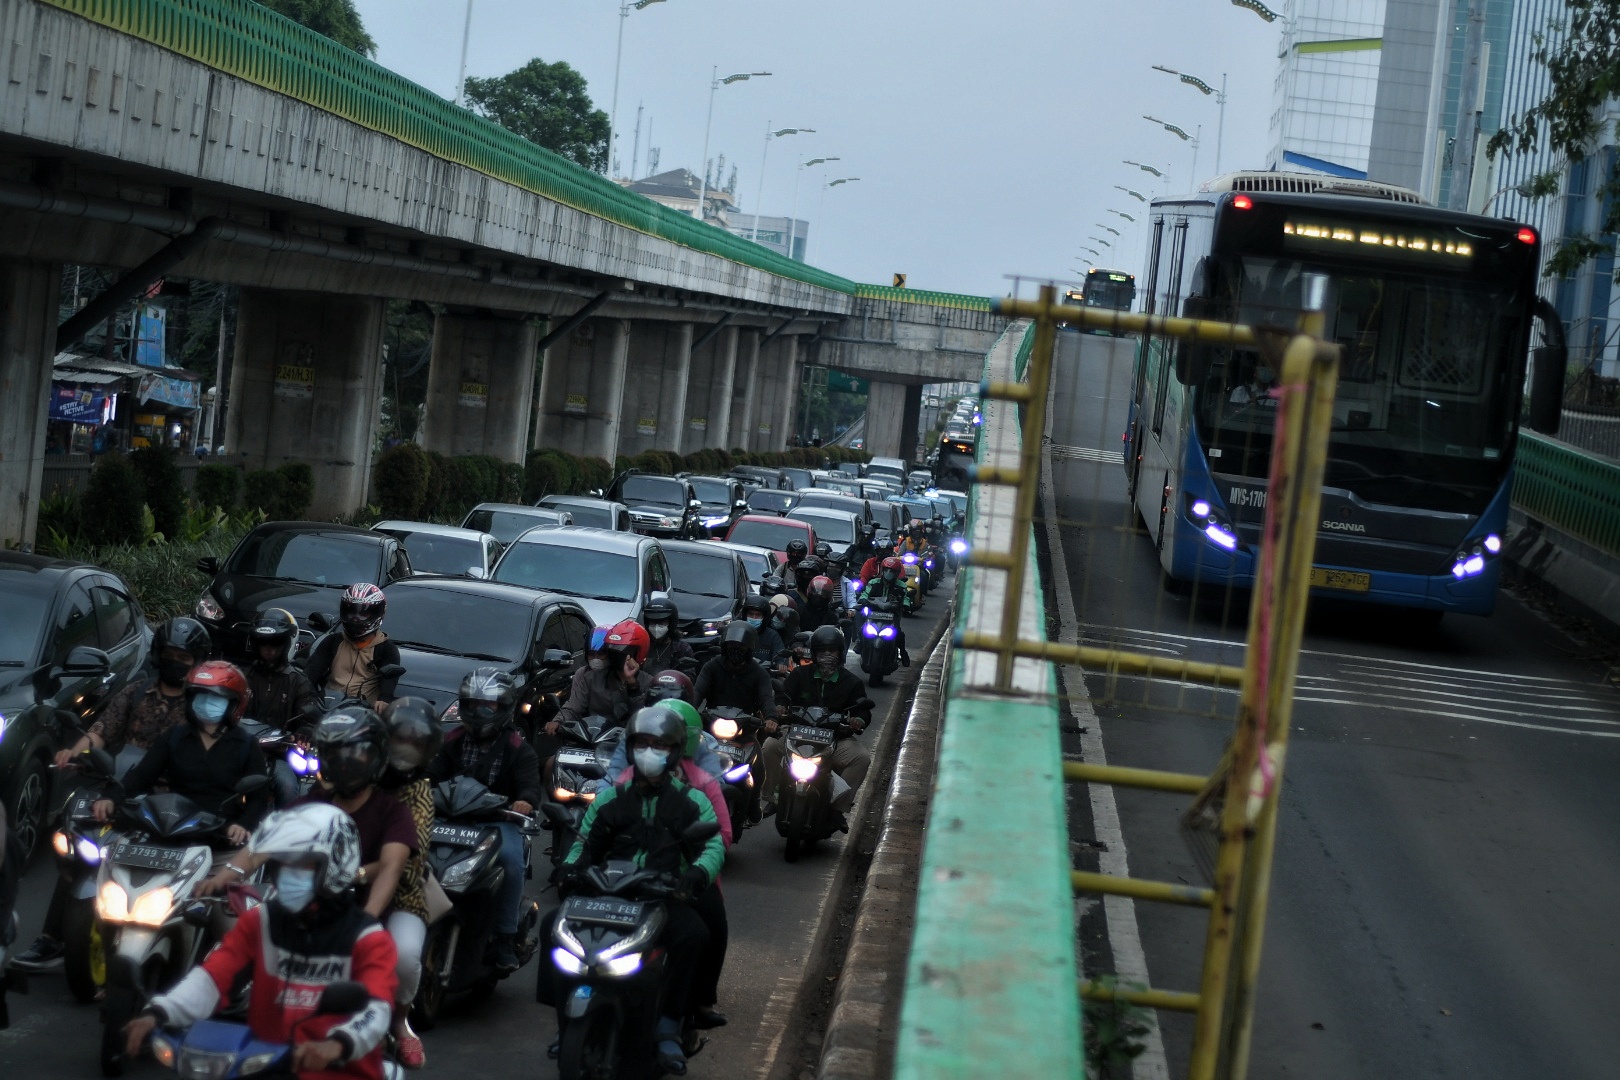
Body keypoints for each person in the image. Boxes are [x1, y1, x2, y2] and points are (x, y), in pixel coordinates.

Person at [205, 708, 424, 1066]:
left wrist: (364, 924)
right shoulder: (314, 801)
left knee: (402, 959)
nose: (342, 763)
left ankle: (399, 1024)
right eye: (334, 753)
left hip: (375, 908)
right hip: (311, 906)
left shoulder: (393, 810)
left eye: (353, 753)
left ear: (376, 757)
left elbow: (391, 868)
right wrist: (223, 876)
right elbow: (265, 843)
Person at [121, 804, 398, 1080]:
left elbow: (376, 1009)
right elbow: (213, 978)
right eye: (283, 863)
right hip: (263, 1066)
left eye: (303, 863)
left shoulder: (367, 937)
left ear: (337, 863)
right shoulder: (261, 922)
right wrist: (159, 1012)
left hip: (340, 1071)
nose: (290, 873)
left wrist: (338, 1044)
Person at [14, 617, 212, 972]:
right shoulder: (135, 692)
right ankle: (51, 938)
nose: (176, 662)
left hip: (176, 802)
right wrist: (75, 751)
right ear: (157, 654)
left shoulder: (203, 705)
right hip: (123, 791)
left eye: (184, 657)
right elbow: (102, 730)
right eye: (170, 654)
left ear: (197, 661)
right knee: (78, 848)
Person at [549, 707, 725, 1073]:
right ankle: (565, 1018)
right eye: (642, 744)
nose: (650, 752)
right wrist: (570, 867)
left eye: (659, 745)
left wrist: (694, 875)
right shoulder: (611, 799)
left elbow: (713, 846)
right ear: (629, 749)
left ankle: (668, 1026)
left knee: (692, 935)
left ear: (676, 751)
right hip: (607, 894)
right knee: (553, 923)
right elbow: (585, 843)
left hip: (662, 896)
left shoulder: (693, 801)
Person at [428, 668, 541, 972]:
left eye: (488, 706)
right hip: (447, 820)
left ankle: (505, 939)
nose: (480, 712)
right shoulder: (448, 740)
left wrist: (525, 801)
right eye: (473, 704)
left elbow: (530, 785)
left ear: (503, 709)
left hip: (497, 822)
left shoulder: (519, 748)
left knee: (512, 863)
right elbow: (428, 775)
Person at [94, 661, 271, 844]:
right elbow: (142, 774)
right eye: (201, 695)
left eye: (215, 697)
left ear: (234, 703)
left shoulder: (245, 744)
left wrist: (243, 825)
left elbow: (258, 799)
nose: (206, 702)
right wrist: (112, 797)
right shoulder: (175, 737)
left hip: (220, 836)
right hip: (171, 828)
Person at [374, 699, 441, 1069]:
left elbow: (408, 863)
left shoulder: (420, 791)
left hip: (402, 894)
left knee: (403, 959)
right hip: (336, 887)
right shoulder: (359, 773)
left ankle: (400, 1022)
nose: (405, 749)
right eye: (400, 739)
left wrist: (362, 871)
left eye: (415, 743)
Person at [758, 627, 875, 820]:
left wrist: (858, 720)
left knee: (861, 758)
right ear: (814, 653)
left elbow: (862, 710)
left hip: (835, 739)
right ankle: (772, 797)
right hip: (796, 733)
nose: (827, 655)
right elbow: (782, 695)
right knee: (770, 746)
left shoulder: (852, 682)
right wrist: (780, 707)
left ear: (841, 652)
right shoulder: (799, 675)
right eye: (822, 651)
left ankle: (838, 807)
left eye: (832, 650)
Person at [242, 608, 318, 805]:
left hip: (280, 755)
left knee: (288, 787)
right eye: (264, 642)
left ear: (286, 643)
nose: (269, 648)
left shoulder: (298, 681)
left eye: (276, 642)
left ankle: (286, 832)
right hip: (242, 751)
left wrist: (304, 733)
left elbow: (310, 715)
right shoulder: (243, 677)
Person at [304, 584, 401, 714]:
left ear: (379, 613)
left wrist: (384, 700)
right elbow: (311, 673)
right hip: (327, 711)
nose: (355, 618)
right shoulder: (332, 641)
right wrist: (303, 694)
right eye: (351, 612)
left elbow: (389, 683)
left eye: (363, 613)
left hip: (363, 717)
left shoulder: (386, 649)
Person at [546, 621, 654, 736]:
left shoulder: (648, 683)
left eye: (624, 652)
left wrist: (633, 685)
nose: (618, 657)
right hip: (591, 739)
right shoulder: (591, 678)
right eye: (614, 651)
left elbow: (643, 720)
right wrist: (557, 721)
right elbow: (573, 707)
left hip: (627, 744)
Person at [692, 623, 774, 718]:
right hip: (711, 719)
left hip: (746, 724)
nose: (736, 649)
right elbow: (698, 691)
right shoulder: (712, 666)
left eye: (742, 646)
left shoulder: (759, 673)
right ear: (725, 646)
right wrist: (690, 709)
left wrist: (771, 717)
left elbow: (766, 698)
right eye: (732, 645)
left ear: (750, 649)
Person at [857, 557, 914, 665]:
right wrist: (863, 599)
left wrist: (906, 605)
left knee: (899, 634)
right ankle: (860, 643)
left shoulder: (901, 585)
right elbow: (865, 593)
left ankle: (902, 651)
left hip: (892, 614)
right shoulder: (874, 582)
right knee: (862, 629)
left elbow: (905, 597)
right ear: (882, 570)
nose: (889, 573)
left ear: (897, 573)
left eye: (892, 571)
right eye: (886, 570)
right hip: (874, 613)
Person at [640, 595, 695, 678]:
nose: (656, 627)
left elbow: (689, 678)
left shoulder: (682, 649)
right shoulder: (642, 646)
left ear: (671, 623)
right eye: (653, 622)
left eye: (661, 623)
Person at [740, 594, 785, 664]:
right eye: (751, 614)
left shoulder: (772, 636)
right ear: (745, 615)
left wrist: (781, 664)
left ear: (764, 617)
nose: (754, 618)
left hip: (763, 673)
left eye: (758, 615)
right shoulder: (738, 631)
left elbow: (780, 657)